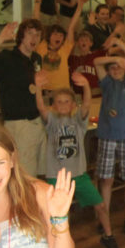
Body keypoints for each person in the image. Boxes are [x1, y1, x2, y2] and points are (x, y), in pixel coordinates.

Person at [0, 20, 46, 178]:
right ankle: (23, 202)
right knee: (25, 173)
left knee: (39, 171)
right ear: (21, 36)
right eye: (30, 34)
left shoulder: (36, 58)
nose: (34, 38)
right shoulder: (7, 57)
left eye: (37, 35)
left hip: (37, 120)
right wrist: (0, 39)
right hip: (18, 123)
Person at [92, 39, 125, 248]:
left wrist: (121, 46)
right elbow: (96, 61)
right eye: (112, 68)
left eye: (119, 67)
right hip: (107, 135)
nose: (115, 70)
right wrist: (114, 57)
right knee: (107, 178)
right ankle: (105, 217)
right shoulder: (107, 83)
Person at [34, 73, 103, 216]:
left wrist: (86, 86)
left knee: (100, 205)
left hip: (78, 174)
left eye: (67, 101)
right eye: (59, 102)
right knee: (56, 212)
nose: (63, 104)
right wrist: (38, 88)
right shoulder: (51, 121)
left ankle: (108, 234)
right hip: (55, 175)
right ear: (53, 105)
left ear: (73, 105)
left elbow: (86, 105)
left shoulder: (78, 121)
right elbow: (41, 107)